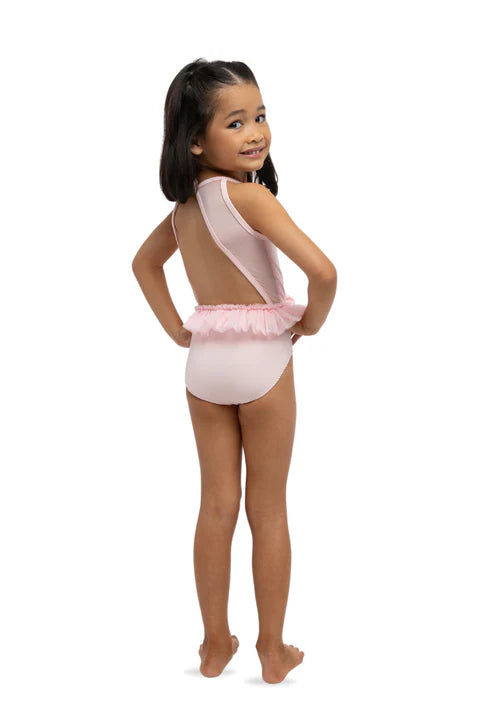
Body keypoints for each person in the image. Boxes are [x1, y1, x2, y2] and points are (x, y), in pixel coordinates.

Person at [131, 58, 337, 684]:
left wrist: (177, 329)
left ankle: (214, 644)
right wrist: (311, 323)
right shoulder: (249, 198)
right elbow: (323, 272)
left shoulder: (183, 212)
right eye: (236, 122)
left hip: (205, 366)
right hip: (263, 361)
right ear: (195, 140)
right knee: (267, 510)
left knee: (216, 506)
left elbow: (144, 265)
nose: (256, 132)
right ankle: (272, 650)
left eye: (261, 116)